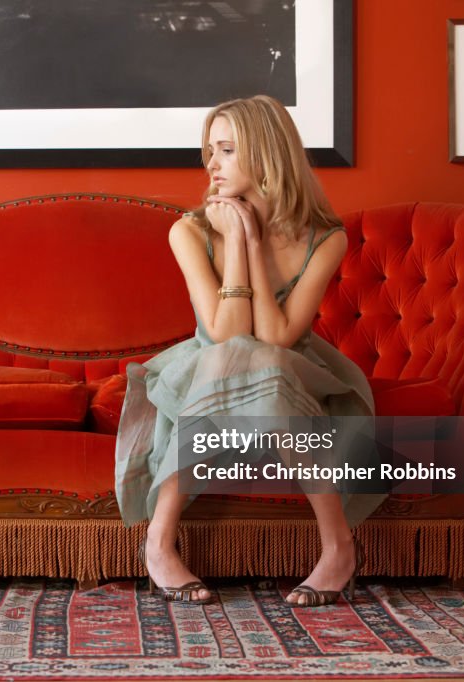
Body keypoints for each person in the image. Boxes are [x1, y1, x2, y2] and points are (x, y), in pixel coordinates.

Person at [114, 96, 383, 607]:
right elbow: (222, 334)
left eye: (227, 150)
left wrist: (255, 242)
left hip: (296, 365)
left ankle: (337, 548)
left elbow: (279, 337)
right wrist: (235, 243)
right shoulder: (189, 231)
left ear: (266, 155)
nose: (211, 164)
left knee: (266, 360)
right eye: (209, 151)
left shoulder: (326, 238)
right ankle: (160, 544)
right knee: (227, 359)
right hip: (207, 361)